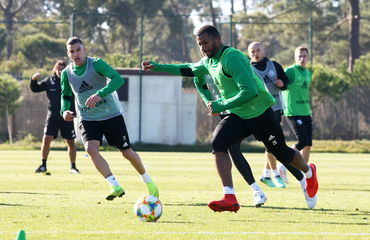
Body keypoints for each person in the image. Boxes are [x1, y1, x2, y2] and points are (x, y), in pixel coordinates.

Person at [142, 25, 318, 212]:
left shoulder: (232, 58)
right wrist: (158, 67)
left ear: (218, 39)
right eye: (199, 44)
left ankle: (308, 172)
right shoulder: (208, 61)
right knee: (218, 142)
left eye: (206, 43)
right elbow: (189, 69)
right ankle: (229, 196)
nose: (202, 47)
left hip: (260, 112)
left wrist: (221, 105)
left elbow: (249, 91)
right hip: (239, 114)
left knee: (282, 153)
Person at [60, 37, 158, 201]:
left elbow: (118, 79)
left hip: (110, 115)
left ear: (84, 50)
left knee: (127, 153)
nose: (76, 54)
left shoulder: (96, 64)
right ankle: (115, 186)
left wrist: (99, 94)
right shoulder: (66, 73)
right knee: (91, 149)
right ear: (68, 53)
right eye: (72, 51)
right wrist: (64, 111)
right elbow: (65, 95)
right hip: (87, 118)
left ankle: (149, 183)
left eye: (78, 50)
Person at [200, 74, 267, 208]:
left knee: (278, 150)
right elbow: (198, 82)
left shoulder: (232, 62)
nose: (205, 51)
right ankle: (255, 191)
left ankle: (303, 175)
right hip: (225, 113)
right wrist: (209, 103)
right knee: (233, 149)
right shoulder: (205, 65)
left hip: (241, 111)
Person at [247, 42, 287, 188]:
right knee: (271, 143)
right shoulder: (248, 69)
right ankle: (275, 174)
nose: (256, 53)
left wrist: (283, 83)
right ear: (249, 54)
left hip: (276, 109)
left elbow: (285, 80)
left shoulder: (274, 65)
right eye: (253, 51)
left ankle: (265, 174)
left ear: (263, 50)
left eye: (258, 50)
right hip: (261, 111)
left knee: (272, 143)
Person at [30, 60, 80, 174]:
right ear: (55, 70)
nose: (60, 71)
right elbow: (35, 89)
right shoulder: (49, 81)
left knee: (71, 142)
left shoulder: (71, 81)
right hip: (52, 116)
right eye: (59, 69)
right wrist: (33, 80)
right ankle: (43, 165)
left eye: (63, 69)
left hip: (67, 116)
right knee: (46, 139)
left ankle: (73, 167)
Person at [279, 46, 313, 183]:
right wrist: (280, 109)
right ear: (295, 58)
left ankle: (304, 172)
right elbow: (281, 87)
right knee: (302, 141)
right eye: (299, 56)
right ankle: (284, 164)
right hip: (292, 112)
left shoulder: (308, 74)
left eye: (304, 56)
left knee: (308, 144)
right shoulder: (290, 71)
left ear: (308, 58)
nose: (302, 59)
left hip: (306, 112)